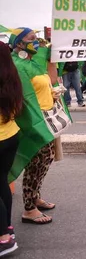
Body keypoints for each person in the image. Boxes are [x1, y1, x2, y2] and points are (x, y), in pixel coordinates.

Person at [8, 28, 57, 225]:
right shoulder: (17, 65)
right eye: (31, 39)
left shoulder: (32, 62)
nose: (36, 42)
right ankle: (28, 208)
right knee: (35, 163)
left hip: (47, 119)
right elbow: (24, 98)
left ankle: (35, 196)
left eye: (37, 38)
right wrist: (33, 124)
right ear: (19, 43)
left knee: (46, 160)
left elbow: (50, 81)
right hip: (33, 122)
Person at [0, 42, 21, 255]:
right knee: (2, 182)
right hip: (11, 135)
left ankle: (4, 238)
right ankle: (7, 227)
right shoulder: (11, 77)